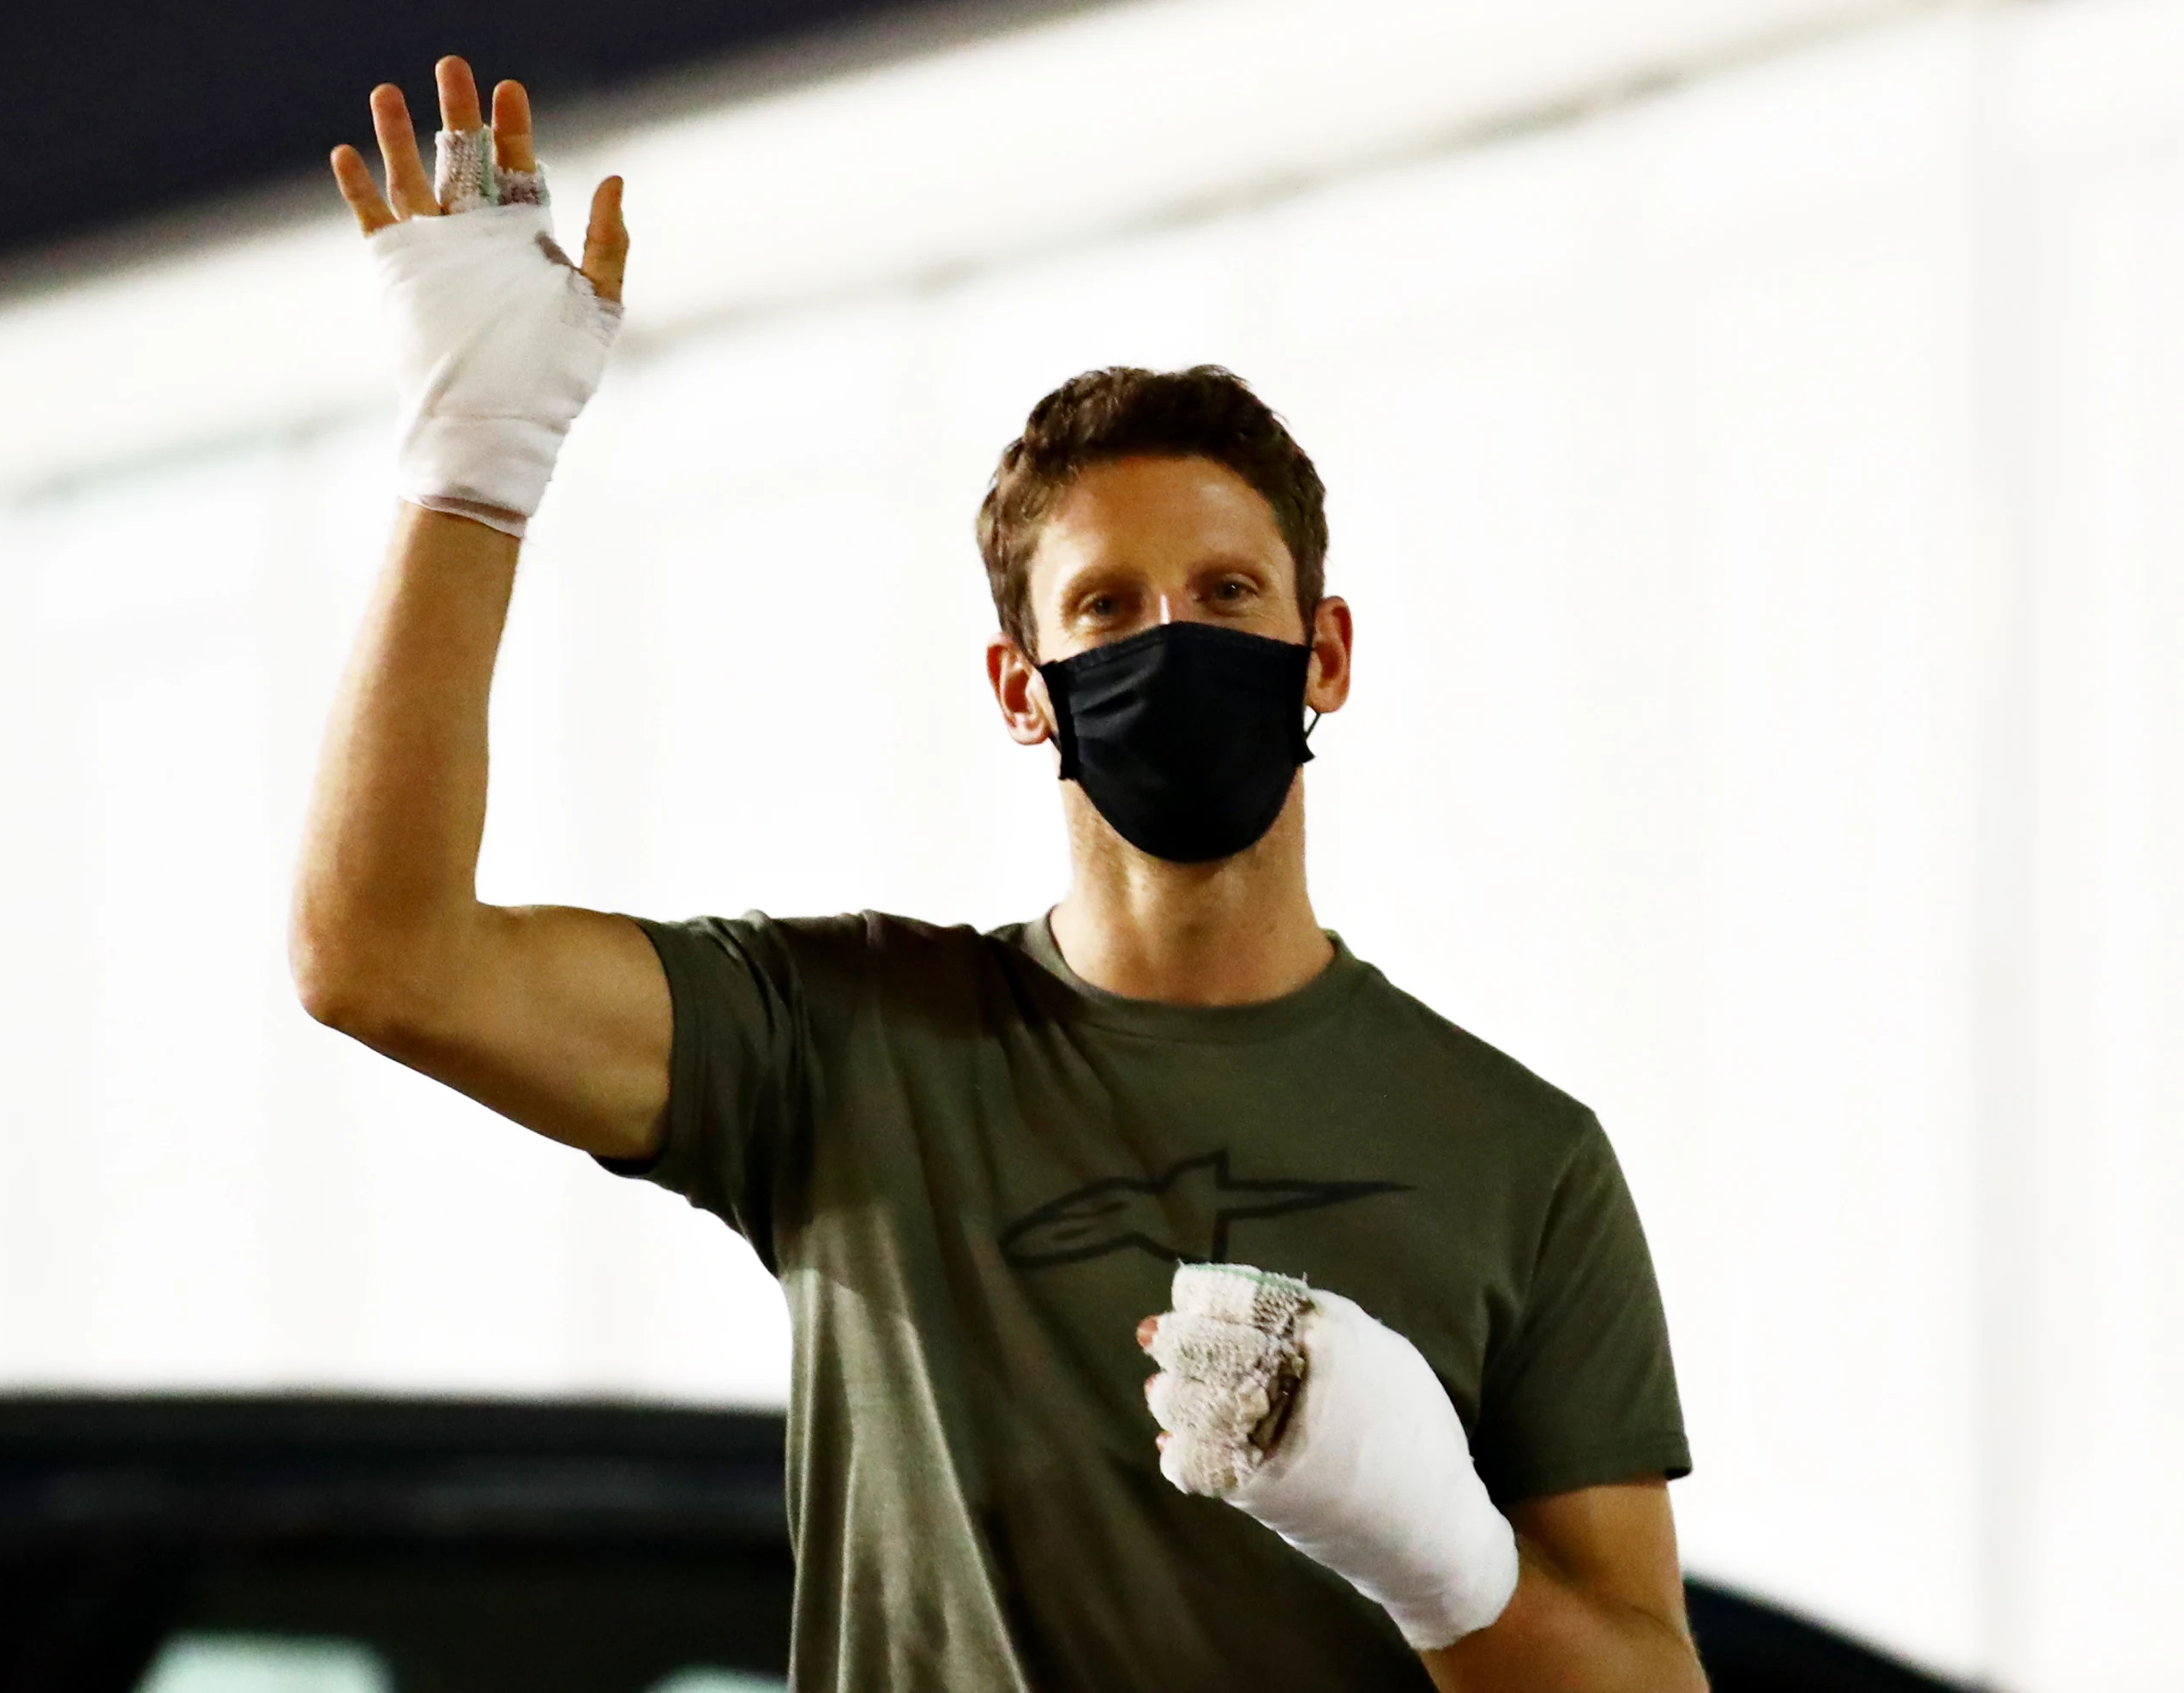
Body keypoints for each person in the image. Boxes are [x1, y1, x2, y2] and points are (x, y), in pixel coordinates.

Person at [295, 55, 1705, 1693]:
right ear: (1020, 685)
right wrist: (474, 462)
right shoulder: (843, 1046)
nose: (1173, 636)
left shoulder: (1521, 1159)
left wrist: (1441, 1558)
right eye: (1106, 606)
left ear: (1322, 651)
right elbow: (377, 955)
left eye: (1229, 592)